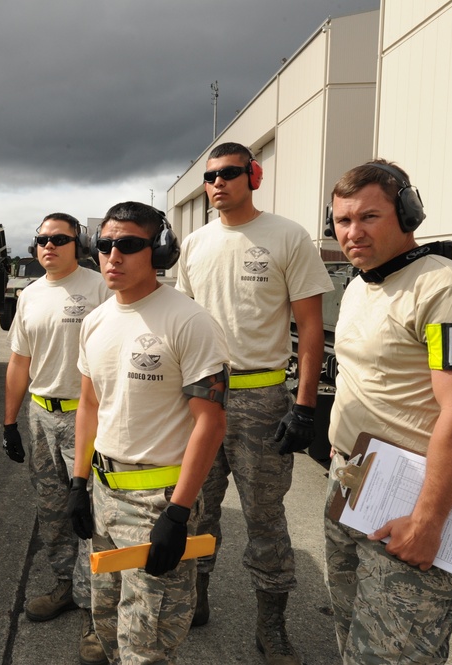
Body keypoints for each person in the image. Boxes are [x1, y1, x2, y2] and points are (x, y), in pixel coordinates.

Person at [324, 160, 452, 663]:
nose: (353, 233)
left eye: (369, 217)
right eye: (342, 221)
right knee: (352, 636)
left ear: (407, 214)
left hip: (409, 498)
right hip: (354, 479)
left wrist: (428, 519)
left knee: (394, 653)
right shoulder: (362, 284)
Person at [174, 142, 332, 663]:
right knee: (198, 511)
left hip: (263, 398)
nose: (217, 184)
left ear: (253, 175)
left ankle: (271, 629)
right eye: (210, 177)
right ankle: (196, 599)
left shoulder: (287, 236)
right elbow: (182, 322)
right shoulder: (194, 244)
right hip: (203, 398)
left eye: (228, 173)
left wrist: (304, 406)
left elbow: (309, 326)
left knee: (265, 518)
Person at [68, 201, 230, 664]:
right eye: (104, 245)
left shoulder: (189, 321)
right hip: (103, 496)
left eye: (128, 245)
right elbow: (91, 405)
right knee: (107, 626)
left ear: (158, 252)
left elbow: (211, 422)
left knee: (147, 644)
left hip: (157, 501)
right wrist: (80, 483)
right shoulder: (96, 321)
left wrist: (177, 514)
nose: (112, 256)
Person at [3, 213, 111, 665]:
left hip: (86, 418)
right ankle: (66, 586)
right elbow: (18, 363)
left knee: (91, 516)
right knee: (51, 512)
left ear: (78, 243)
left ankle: (95, 615)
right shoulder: (30, 295)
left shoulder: (100, 287)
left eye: (59, 239)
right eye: (42, 240)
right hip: (41, 415)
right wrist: (9, 422)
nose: (48, 246)